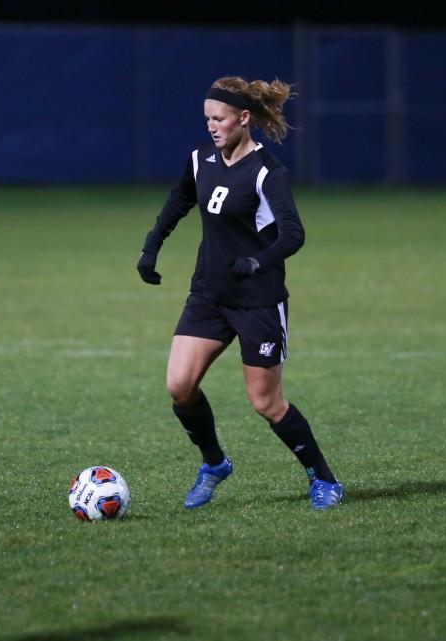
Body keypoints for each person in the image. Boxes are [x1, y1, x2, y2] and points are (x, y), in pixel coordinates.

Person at [135, 76, 343, 511]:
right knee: (179, 385)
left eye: (221, 119)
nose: (212, 127)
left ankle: (323, 479)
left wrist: (257, 261)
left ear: (244, 118)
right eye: (208, 119)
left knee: (265, 402)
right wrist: (151, 248)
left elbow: (294, 234)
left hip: (257, 302)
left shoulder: (267, 172)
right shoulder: (201, 159)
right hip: (208, 295)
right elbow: (179, 199)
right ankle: (214, 463)